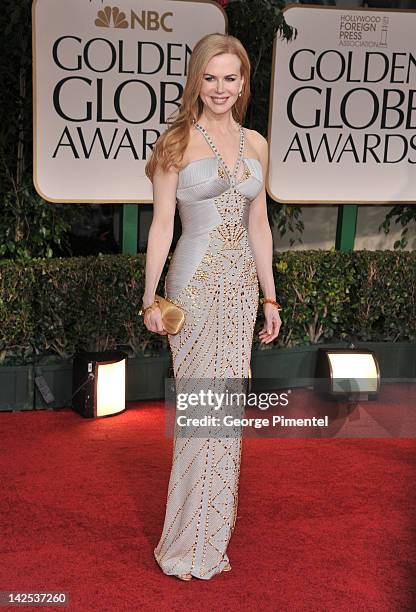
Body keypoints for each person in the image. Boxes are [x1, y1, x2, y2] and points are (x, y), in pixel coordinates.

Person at [142, 33, 281, 581]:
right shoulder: (176, 141)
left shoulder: (256, 144)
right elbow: (159, 227)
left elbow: (260, 225)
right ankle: (184, 543)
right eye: (210, 77)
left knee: (224, 418)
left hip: (241, 292)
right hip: (195, 290)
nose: (220, 88)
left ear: (243, 82)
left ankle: (208, 539)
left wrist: (269, 296)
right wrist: (150, 297)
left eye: (231, 77)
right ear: (195, 80)